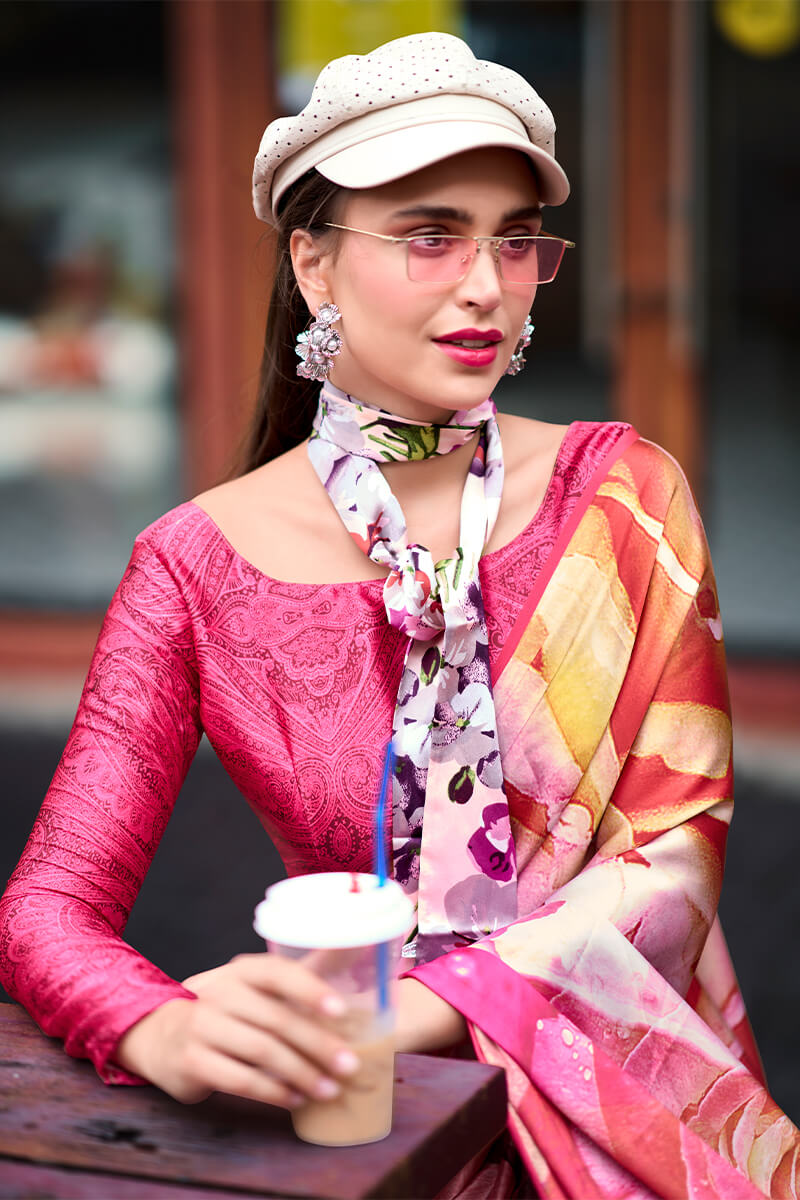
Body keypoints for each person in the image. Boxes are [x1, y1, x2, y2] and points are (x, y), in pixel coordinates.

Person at [0, 31, 797, 1200]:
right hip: (358, 1131)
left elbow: (671, 864)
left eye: (513, 240)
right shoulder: (190, 565)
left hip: (629, 1124)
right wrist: (157, 1029)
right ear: (313, 265)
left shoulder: (622, 495)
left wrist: (406, 1013)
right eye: (430, 235)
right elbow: (48, 908)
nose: (484, 285)